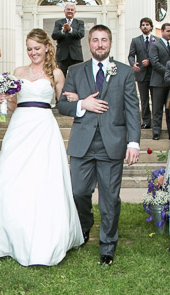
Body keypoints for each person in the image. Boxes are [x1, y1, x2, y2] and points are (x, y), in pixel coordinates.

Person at [0, 29, 84, 266]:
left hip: (43, 127)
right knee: (13, 176)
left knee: (42, 177)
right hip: (19, 127)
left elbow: (61, 104)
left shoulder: (57, 73)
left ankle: (46, 235)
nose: (33, 53)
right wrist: (3, 102)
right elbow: (11, 106)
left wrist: (74, 99)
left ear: (47, 48)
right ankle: (10, 232)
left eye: (37, 48)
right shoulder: (18, 73)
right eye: (29, 49)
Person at [57, 24, 140, 266]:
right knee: (78, 192)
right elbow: (63, 105)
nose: (100, 44)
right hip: (83, 143)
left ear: (110, 43)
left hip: (112, 144)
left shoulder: (123, 72)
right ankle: (84, 226)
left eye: (104, 40)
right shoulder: (75, 71)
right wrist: (82, 104)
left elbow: (132, 109)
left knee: (109, 199)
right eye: (95, 40)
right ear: (89, 43)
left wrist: (133, 142)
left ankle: (107, 246)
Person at [147, 22, 170, 141]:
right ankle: (156, 132)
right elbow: (154, 62)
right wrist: (168, 72)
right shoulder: (155, 45)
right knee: (157, 109)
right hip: (158, 82)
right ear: (162, 31)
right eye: (168, 31)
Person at [128, 17, 155, 129]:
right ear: (140, 27)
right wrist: (133, 64)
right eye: (143, 25)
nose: (145, 26)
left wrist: (150, 61)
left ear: (151, 27)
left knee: (155, 100)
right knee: (144, 99)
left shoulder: (156, 40)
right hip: (141, 73)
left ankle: (155, 122)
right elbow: (130, 55)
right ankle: (146, 121)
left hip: (154, 74)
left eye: (147, 24)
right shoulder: (135, 40)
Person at [51, 3, 85, 74]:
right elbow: (54, 36)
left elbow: (81, 34)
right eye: (68, 9)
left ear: (74, 12)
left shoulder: (79, 23)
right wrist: (63, 31)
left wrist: (70, 30)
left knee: (76, 76)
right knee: (61, 76)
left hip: (76, 55)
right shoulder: (58, 22)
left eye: (72, 10)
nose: (70, 11)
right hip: (62, 55)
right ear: (64, 11)